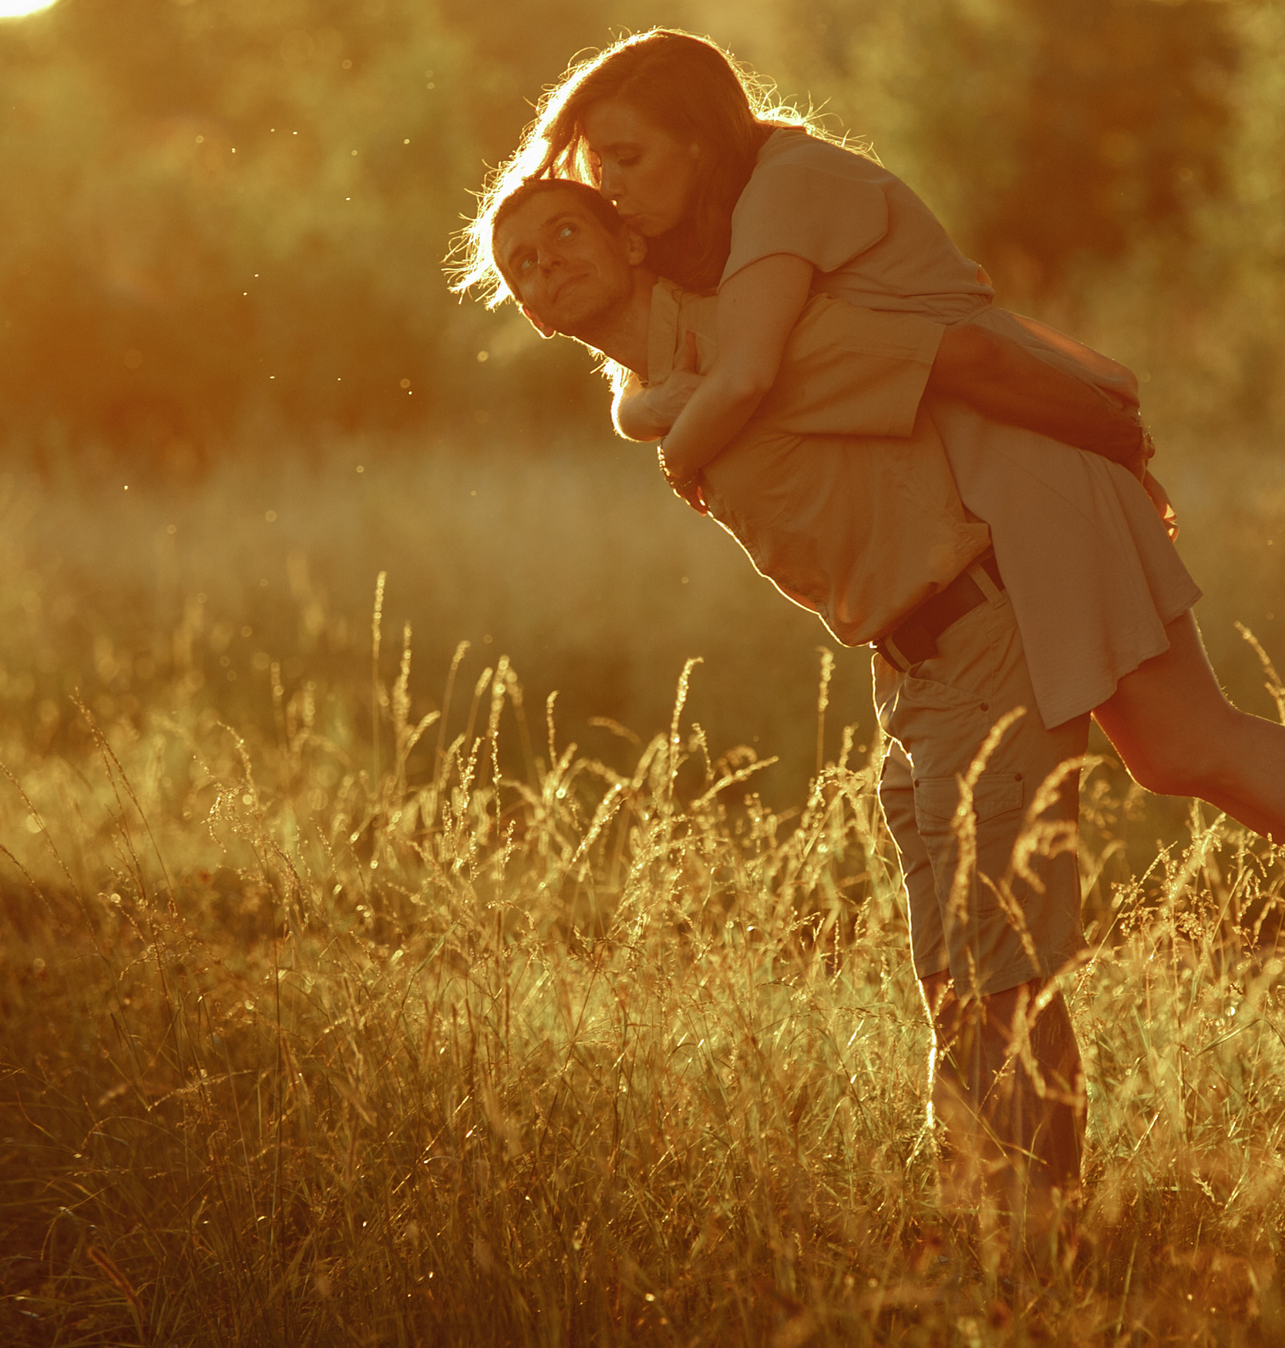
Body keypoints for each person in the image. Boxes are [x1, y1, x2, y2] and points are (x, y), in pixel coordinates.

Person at [450, 30, 1285, 1085]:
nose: (614, 189)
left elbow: (802, 372)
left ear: (701, 137)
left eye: (630, 159)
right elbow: (685, 392)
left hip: (1019, 486)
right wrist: (661, 418)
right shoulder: (732, 267)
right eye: (600, 167)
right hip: (1007, 479)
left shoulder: (784, 189)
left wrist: (1104, 424)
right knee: (1181, 744)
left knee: (1179, 745)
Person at [481, 175, 1139, 1235]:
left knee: (995, 970)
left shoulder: (757, 339)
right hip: (907, 668)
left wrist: (1121, 428)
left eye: (565, 229)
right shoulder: (658, 389)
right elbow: (649, 410)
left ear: (632, 241)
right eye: (521, 261)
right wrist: (659, 414)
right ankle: (1007, 1233)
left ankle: (1019, 1251)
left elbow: (958, 356)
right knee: (955, 974)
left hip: (982, 628)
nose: (544, 258)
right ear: (531, 314)